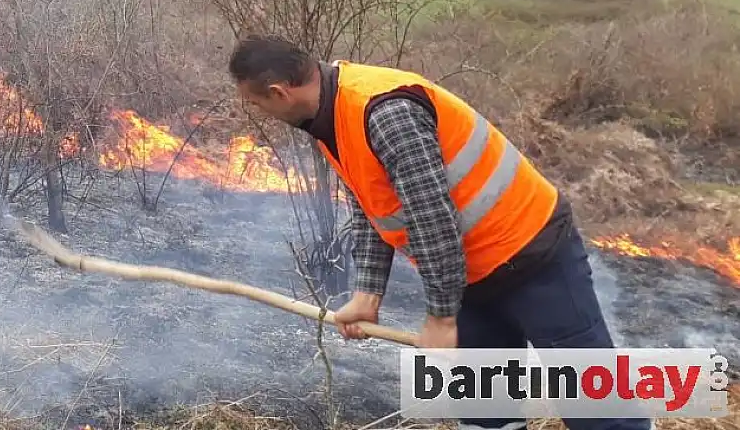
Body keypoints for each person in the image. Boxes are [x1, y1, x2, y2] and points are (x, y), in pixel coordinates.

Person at [226, 34, 648, 430]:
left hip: (534, 259)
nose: (261, 113)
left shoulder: (383, 112)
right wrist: (368, 293)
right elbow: (373, 204)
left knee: (595, 406)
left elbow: (433, 221)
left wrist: (442, 318)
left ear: (279, 92)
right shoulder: (328, 117)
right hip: (471, 278)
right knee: (486, 412)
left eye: (257, 104)